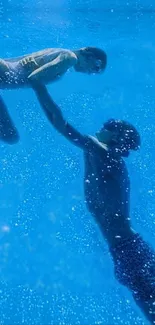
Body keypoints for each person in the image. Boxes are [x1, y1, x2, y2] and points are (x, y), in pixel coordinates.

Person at [31, 82, 155, 324]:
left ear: (117, 136)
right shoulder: (97, 154)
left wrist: (39, 88)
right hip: (126, 250)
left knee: (149, 304)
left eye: (109, 126)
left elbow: (61, 124)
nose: (102, 126)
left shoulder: (105, 153)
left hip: (129, 250)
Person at [0, 46, 107, 144]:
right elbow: (34, 78)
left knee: (11, 136)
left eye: (96, 72)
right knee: (10, 136)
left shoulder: (61, 53)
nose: (92, 72)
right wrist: (55, 112)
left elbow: (15, 63)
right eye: (97, 66)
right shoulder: (70, 58)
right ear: (89, 54)